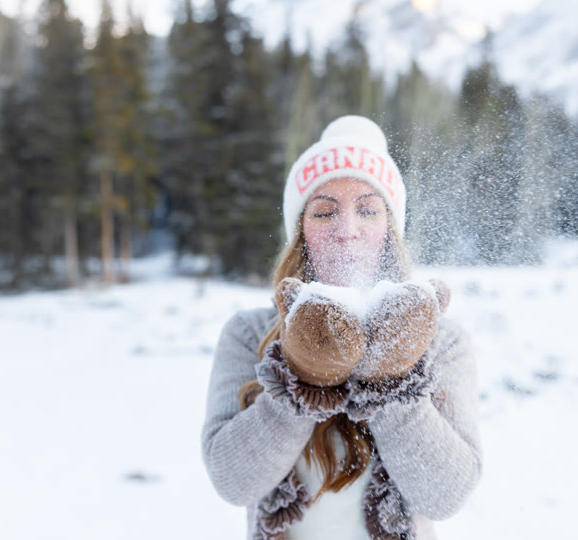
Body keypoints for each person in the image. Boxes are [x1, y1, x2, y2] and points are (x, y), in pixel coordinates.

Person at [201, 115, 481, 540]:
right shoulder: (250, 333)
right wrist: (301, 379)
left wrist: (392, 379)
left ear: (390, 228)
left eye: (368, 210)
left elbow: (445, 497)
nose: (347, 231)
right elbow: (233, 482)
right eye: (324, 212)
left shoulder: (439, 341)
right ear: (301, 232)